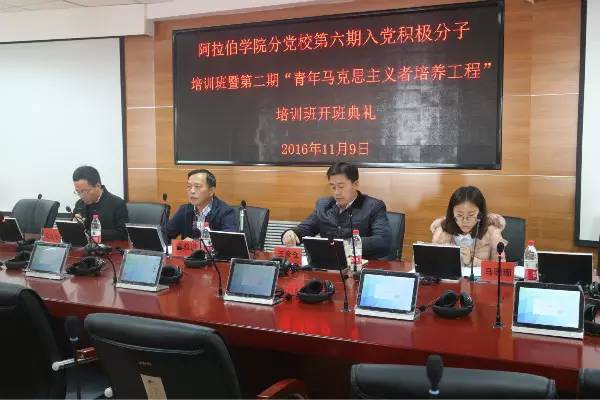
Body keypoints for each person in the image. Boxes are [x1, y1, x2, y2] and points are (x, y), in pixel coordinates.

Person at [282, 162, 391, 259]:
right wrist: (293, 233)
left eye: (341, 187)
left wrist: (347, 244)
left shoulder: (373, 206)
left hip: (360, 265)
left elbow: (382, 241)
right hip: (328, 264)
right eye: (333, 187)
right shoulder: (324, 205)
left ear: (355, 184)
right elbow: (306, 228)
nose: (337, 192)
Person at [430, 186, 507, 267]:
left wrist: (472, 261)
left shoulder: (492, 232)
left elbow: (501, 267)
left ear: (480, 213)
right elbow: (435, 264)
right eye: (459, 215)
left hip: (480, 276)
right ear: (452, 213)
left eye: (471, 215)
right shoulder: (442, 232)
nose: (465, 221)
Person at [166, 169, 237, 240]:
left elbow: (228, 240)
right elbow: (166, 233)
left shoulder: (225, 212)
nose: (192, 191)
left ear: (211, 191)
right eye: (189, 186)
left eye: (197, 186)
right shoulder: (184, 210)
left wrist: (196, 243)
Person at [72, 165, 128, 241]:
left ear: (98, 186)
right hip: (85, 246)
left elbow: (123, 233)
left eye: (85, 191)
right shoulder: (80, 204)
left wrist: (91, 233)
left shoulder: (117, 203)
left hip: (109, 246)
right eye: (78, 192)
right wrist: (75, 225)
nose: (82, 196)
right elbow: (74, 229)